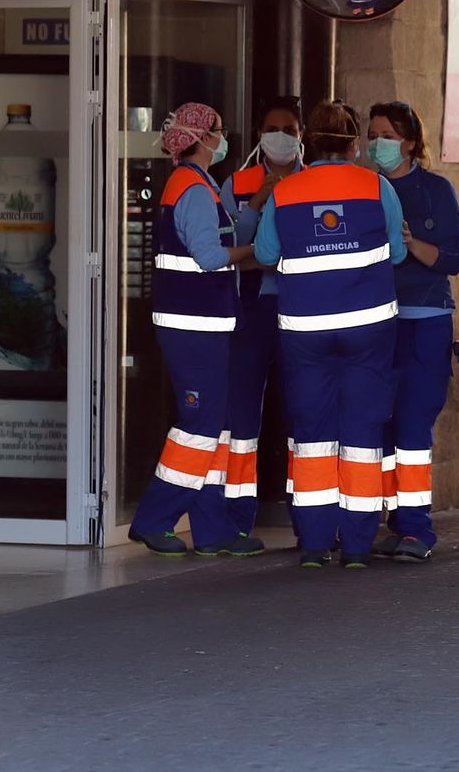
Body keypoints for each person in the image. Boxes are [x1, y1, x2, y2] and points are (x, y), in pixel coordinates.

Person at [253, 101, 406, 569]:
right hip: (368, 331)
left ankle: (316, 544)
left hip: (306, 334)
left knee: (314, 436)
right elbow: (397, 253)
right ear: (354, 143)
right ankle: (357, 547)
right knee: (362, 435)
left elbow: (264, 253)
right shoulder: (376, 186)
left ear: (308, 144)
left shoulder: (286, 192)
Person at [129, 102, 262, 557]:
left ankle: (212, 529)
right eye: (221, 131)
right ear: (203, 138)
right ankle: (154, 520)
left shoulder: (198, 185)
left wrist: (255, 207)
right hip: (193, 326)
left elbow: (218, 236)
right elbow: (209, 257)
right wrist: (256, 253)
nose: (225, 139)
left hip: (203, 324)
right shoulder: (191, 189)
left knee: (215, 427)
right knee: (200, 427)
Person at [366, 101, 459, 561]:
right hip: (378, 321)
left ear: (408, 142)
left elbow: (453, 259)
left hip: (424, 320)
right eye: (371, 135)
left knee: (412, 425)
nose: (376, 144)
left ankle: (416, 528)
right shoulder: (365, 190)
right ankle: (393, 519)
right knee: (380, 424)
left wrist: (409, 243)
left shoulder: (435, 191)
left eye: (385, 135)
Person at [218, 96, 304, 537]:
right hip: (250, 309)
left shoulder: (314, 183)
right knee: (241, 419)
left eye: (290, 129)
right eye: (273, 128)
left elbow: (305, 248)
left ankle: (307, 516)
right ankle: (235, 520)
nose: (281, 137)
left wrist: (258, 257)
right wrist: (257, 200)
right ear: (257, 134)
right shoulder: (239, 181)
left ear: (302, 135)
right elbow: (229, 244)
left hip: (299, 309)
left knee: (302, 416)